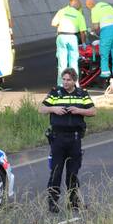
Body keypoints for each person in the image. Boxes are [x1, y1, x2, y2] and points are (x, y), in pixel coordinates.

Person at [38, 68, 96, 213]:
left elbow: (93, 111)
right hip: (58, 138)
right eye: (63, 79)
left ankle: (74, 202)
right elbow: (41, 108)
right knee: (56, 172)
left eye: (68, 80)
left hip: (75, 138)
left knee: (73, 173)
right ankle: (52, 203)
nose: (65, 82)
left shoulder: (82, 94)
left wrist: (79, 110)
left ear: (74, 80)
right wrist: (54, 109)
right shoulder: (55, 93)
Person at [51, 0, 87, 82]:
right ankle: (75, 84)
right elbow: (83, 31)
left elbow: (54, 23)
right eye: (79, 2)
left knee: (62, 63)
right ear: (75, 2)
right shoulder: (78, 14)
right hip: (72, 37)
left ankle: (61, 84)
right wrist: (83, 43)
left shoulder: (61, 11)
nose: (80, 4)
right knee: (73, 63)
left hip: (61, 37)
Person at [86, 0, 113, 80]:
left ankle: (105, 75)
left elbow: (96, 26)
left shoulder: (94, 9)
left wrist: (91, 30)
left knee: (104, 54)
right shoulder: (107, 5)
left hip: (106, 32)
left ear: (90, 5)